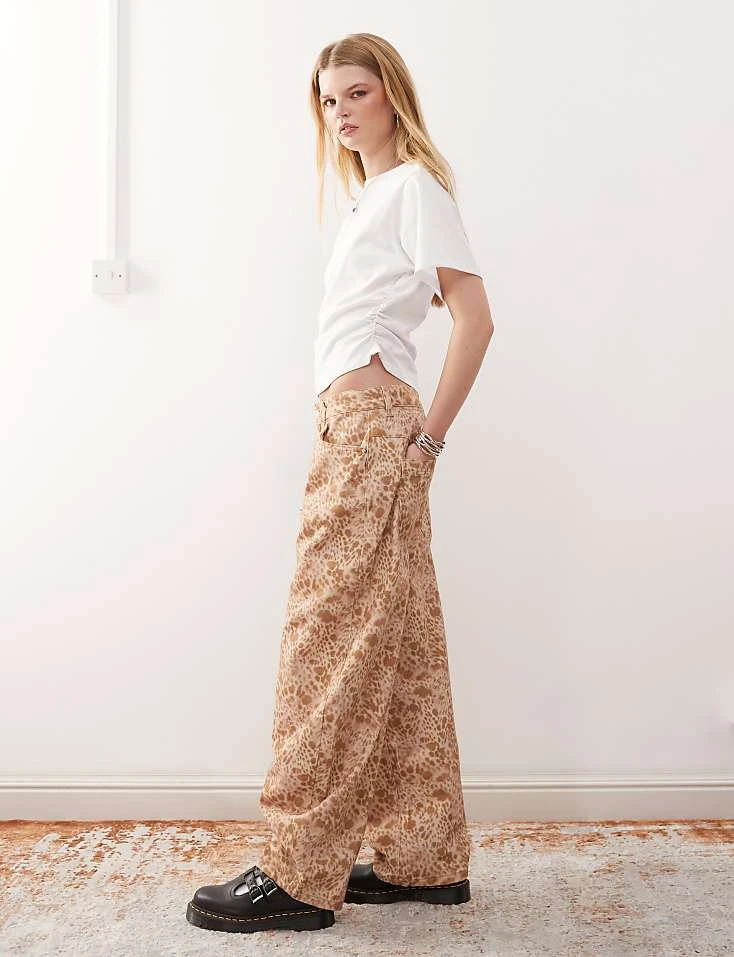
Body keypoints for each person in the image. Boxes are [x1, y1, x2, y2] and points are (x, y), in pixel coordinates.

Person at [186, 31, 494, 935]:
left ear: (392, 93)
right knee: (402, 641)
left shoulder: (414, 189)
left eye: (356, 92)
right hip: (361, 430)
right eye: (328, 100)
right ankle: (425, 856)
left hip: (374, 437)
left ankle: (297, 868)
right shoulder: (376, 199)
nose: (341, 112)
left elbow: (475, 320)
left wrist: (427, 443)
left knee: (323, 641)